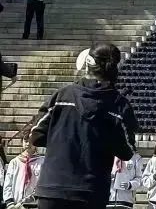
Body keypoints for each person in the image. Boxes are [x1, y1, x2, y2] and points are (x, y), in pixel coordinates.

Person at [31, 42, 138, 209]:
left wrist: (63, 141)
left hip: (52, 188)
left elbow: (36, 136)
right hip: (92, 191)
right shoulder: (119, 105)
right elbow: (127, 151)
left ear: (87, 63)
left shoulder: (62, 96)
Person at [3, 141, 44, 209]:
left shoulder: (42, 162)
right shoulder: (14, 162)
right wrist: (10, 203)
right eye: (26, 141)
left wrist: (27, 201)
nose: (28, 143)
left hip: (34, 205)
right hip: (15, 204)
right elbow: (8, 183)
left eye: (31, 141)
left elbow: (42, 185)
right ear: (22, 143)